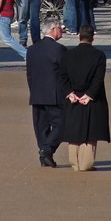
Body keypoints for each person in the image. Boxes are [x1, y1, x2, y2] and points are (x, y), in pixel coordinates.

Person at [58, 24, 110, 172]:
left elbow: (62, 76)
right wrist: (90, 94)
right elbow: (98, 79)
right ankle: (86, 164)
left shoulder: (68, 55)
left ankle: (75, 163)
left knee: (74, 132)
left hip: (73, 96)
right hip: (92, 97)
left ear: (79, 36)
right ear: (92, 38)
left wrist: (69, 93)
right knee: (90, 132)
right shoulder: (99, 55)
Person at [26, 17, 67, 168]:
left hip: (37, 93)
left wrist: (33, 89)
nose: (61, 30)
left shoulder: (32, 49)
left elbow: (29, 74)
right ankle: (46, 150)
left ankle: (45, 153)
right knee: (61, 124)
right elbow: (65, 73)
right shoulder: (59, 49)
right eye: (60, 28)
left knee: (40, 126)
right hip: (54, 94)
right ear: (53, 30)